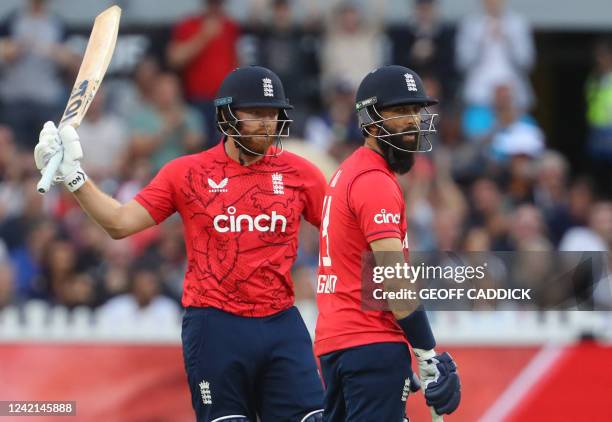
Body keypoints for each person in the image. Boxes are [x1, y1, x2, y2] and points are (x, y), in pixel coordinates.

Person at [34, 66, 326, 422]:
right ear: (225, 115)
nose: (267, 124)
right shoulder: (187, 172)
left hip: (282, 321)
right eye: (256, 114)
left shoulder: (301, 173)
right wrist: (74, 176)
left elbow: (347, 234)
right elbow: (120, 223)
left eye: (273, 114)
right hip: (216, 325)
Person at [314, 65, 461, 421]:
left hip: (340, 342)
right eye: (400, 112)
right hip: (369, 342)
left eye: (416, 110)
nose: (413, 121)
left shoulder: (350, 171)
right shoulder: (374, 180)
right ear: (371, 121)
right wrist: (426, 351)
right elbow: (395, 279)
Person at [167, 0, 239, 146]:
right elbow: (175, 58)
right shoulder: (189, 24)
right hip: (198, 99)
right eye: (212, 3)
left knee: (225, 145)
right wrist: (203, 36)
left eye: (219, 4)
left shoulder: (230, 26)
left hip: (225, 100)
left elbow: (235, 60)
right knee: (199, 145)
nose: (216, 7)